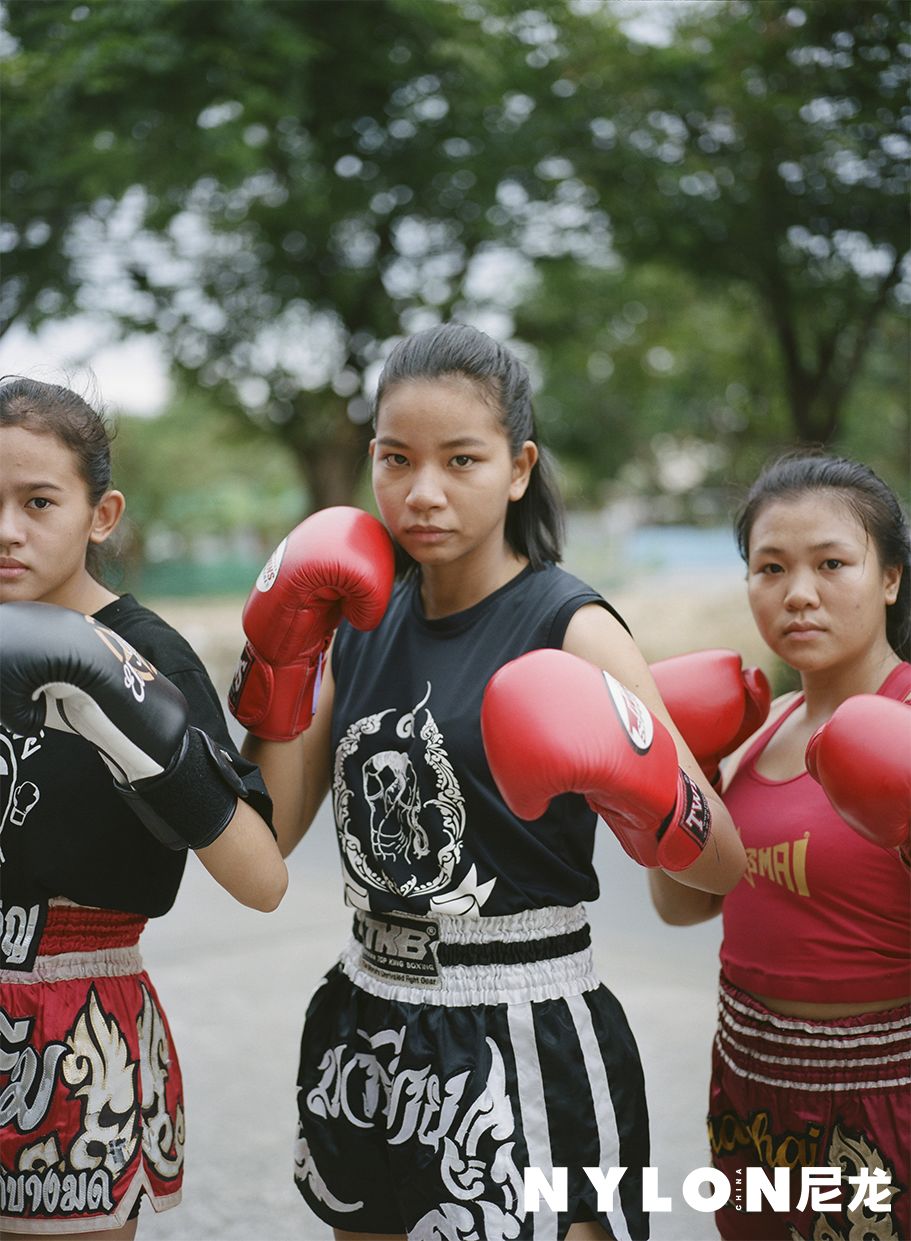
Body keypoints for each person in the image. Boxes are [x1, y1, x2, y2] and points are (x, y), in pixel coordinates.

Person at [232, 321, 746, 1240]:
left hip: (521, 1022)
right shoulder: (354, 618)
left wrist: (650, 790)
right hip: (370, 1013)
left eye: (460, 460)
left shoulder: (571, 625)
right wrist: (275, 667)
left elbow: (722, 863)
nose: (421, 491)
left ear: (517, 467)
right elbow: (266, 843)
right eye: (396, 459)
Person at [0, 377, 288, 1239]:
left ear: (101, 512)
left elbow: (264, 878)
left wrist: (129, 727)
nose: (6, 529)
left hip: (72, 1026)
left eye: (38, 500)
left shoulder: (147, 652)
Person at [648, 452, 911, 1241]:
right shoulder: (750, 733)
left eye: (831, 562)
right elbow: (685, 904)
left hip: (884, 1095)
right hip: (750, 1087)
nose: (798, 592)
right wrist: (673, 779)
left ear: (890, 577)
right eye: (769, 567)